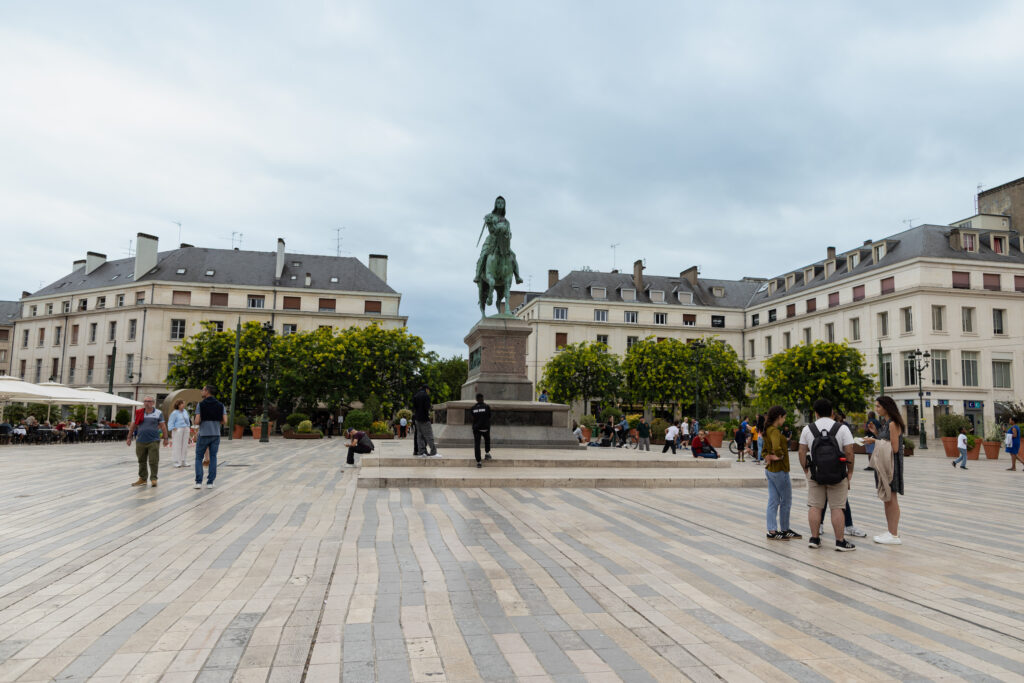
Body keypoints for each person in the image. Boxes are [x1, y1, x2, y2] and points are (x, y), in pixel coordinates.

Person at [798, 398, 856, 551]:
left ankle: (815, 538)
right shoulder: (842, 428)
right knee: (837, 507)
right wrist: (849, 472)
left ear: (815, 413)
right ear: (832, 412)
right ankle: (840, 541)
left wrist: (805, 469)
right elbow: (849, 451)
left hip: (816, 473)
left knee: (815, 506)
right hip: (838, 473)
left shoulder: (807, 429)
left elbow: (802, 451)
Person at [863, 395, 905, 545]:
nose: (876, 409)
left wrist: (874, 440)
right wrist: (876, 433)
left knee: (892, 498)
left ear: (886, 407)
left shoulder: (893, 424)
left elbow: (894, 447)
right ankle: (890, 531)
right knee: (887, 498)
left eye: (878, 406)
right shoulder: (886, 423)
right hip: (885, 464)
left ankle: (893, 534)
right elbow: (886, 440)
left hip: (891, 466)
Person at [764, 405, 800, 540]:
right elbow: (776, 447)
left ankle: (772, 531)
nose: (784, 420)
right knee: (786, 500)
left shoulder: (767, 430)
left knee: (773, 501)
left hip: (770, 471)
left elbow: (764, 452)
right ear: (779, 417)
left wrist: (770, 457)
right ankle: (784, 529)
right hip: (780, 470)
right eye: (784, 418)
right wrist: (780, 455)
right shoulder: (774, 431)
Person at [127, 396, 168, 488]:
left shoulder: (158, 413)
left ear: (153, 403)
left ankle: (154, 478)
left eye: (149, 401)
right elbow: (133, 426)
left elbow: (163, 426)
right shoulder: (139, 413)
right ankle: (142, 478)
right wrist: (129, 437)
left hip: (153, 440)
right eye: (145, 401)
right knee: (141, 460)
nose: (146, 403)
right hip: (140, 440)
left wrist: (165, 438)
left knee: (153, 460)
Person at [194, 385, 227, 490]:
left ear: (207, 391)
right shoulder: (220, 405)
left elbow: (197, 421)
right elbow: (224, 421)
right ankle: (210, 482)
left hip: (203, 434)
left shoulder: (201, 404)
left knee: (199, 457)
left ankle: (198, 482)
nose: (201, 391)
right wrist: (216, 422)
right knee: (213, 457)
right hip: (215, 434)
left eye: (203, 389)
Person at [412, 385, 439, 457]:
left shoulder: (416, 396)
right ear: (427, 389)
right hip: (425, 419)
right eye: (429, 390)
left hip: (417, 419)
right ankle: (433, 452)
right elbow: (427, 407)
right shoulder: (426, 396)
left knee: (419, 436)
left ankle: (422, 452)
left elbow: (414, 407)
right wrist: (430, 407)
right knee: (429, 435)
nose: (429, 392)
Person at [167, 399, 191, 468]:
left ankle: (183, 461)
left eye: (184, 404)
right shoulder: (174, 413)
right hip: (178, 429)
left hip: (185, 429)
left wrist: (188, 427)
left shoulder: (185, 411)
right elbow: (170, 422)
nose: (184, 405)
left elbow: (188, 420)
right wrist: (173, 428)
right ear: (178, 405)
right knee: (177, 445)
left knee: (185, 445)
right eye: (182, 404)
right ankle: (176, 461)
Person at [470, 393, 492, 468]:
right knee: (487, 440)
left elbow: (472, 418)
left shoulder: (473, 408)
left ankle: (479, 461)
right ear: (483, 399)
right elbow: (489, 416)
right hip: (485, 428)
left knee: (477, 444)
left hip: (476, 428)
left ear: (476, 399)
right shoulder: (486, 407)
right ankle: (487, 453)